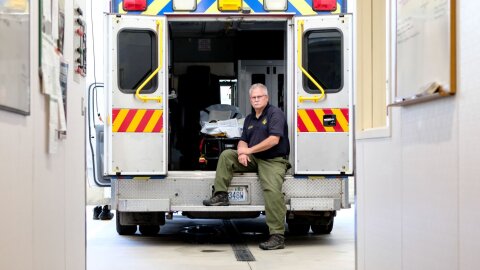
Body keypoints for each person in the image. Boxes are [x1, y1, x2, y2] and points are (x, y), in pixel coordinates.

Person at [203, 83, 290, 250]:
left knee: (271, 190)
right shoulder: (250, 118)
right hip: (254, 158)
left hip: (273, 160)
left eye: (259, 97)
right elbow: (243, 138)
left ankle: (277, 235)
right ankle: (221, 195)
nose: (256, 100)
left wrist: (249, 150)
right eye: (253, 97)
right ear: (250, 100)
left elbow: (274, 140)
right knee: (227, 156)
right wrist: (242, 151)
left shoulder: (274, 114)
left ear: (267, 98)